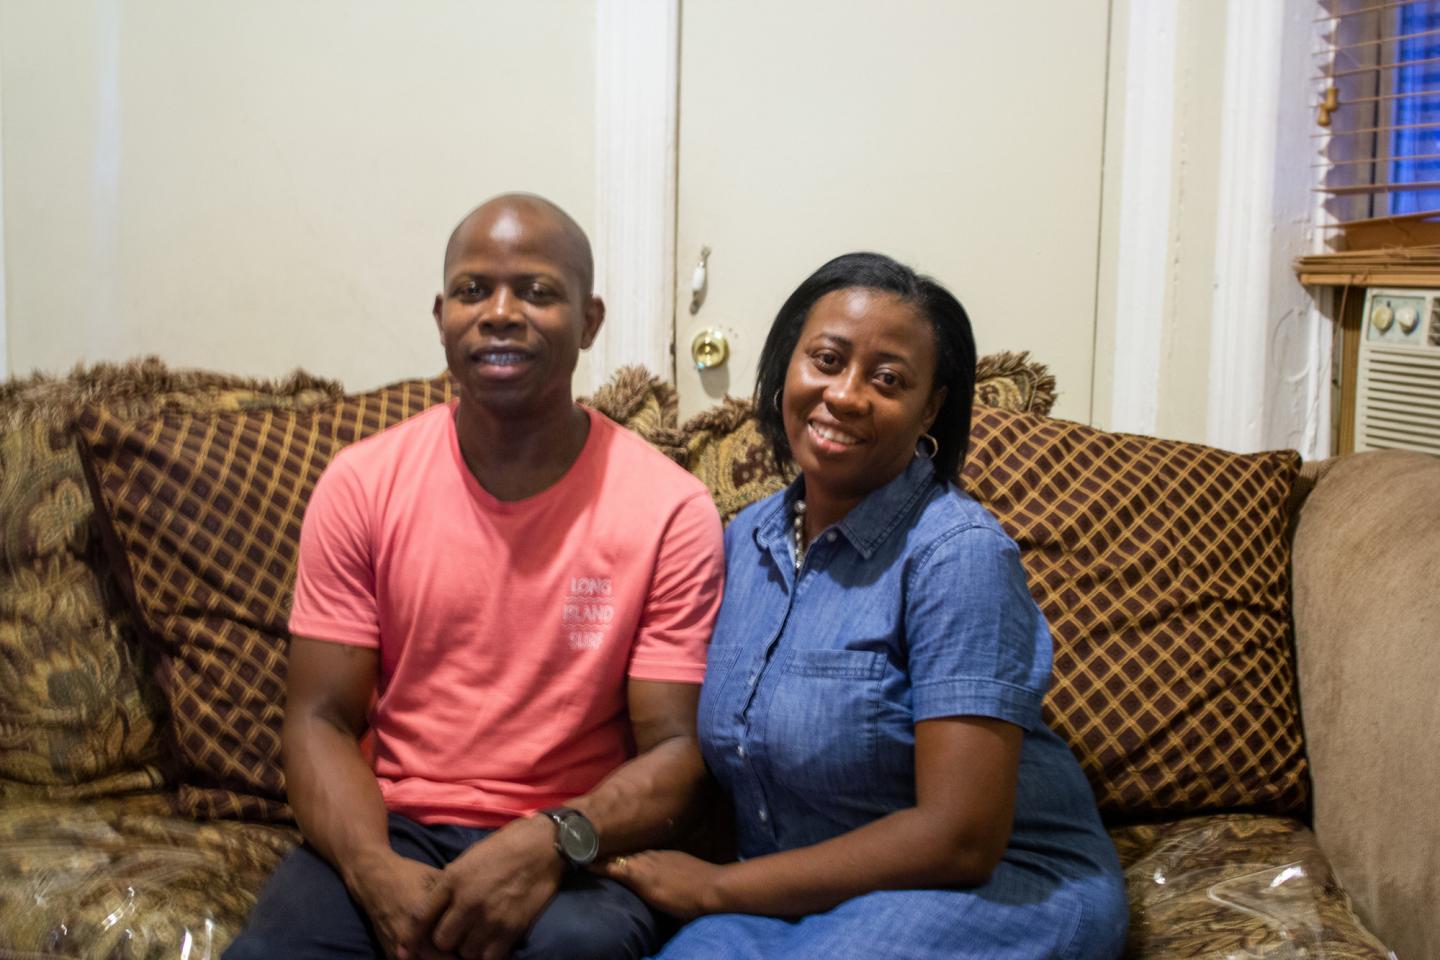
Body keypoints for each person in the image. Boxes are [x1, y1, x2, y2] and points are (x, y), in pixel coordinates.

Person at [224, 194, 725, 960]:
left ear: (589, 322)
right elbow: (319, 717)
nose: (500, 312)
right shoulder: (362, 483)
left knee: (578, 952)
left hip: (576, 843)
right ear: (440, 315)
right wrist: (371, 873)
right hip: (395, 828)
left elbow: (676, 753)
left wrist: (552, 841)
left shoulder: (669, 508)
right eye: (472, 290)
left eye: (536, 291)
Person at [599, 252, 1128, 959]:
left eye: (887, 380)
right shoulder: (742, 541)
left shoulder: (957, 555)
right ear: (787, 366)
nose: (845, 395)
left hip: (990, 890)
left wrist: (716, 889)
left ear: (930, 407)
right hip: (794, 896)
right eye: (826, 360)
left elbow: (959, 838)